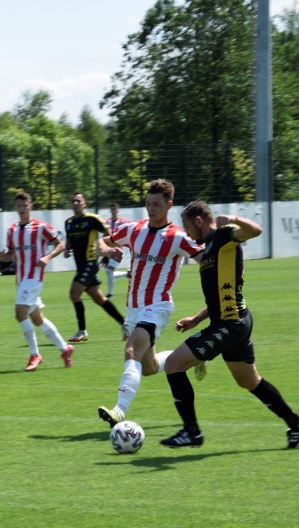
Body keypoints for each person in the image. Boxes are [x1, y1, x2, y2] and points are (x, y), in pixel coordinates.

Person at [159, 201, 299, 448]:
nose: (187, 233)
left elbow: (256, 230)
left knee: (173, 365)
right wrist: (196, 319)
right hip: (234, 321)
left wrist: (233, 218)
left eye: (188, 227)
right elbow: (221, 294)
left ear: (199, 221)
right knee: (249, 381)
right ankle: (296, 423)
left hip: (230, 325)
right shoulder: (209, 247)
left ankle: (191, 432)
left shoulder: (222, 236)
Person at [95, 179, 203, 427]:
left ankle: (118, 412)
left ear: (169, 205)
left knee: (131, 350)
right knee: (150, 367)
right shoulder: (134, 229)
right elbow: (102, 242)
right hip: (134, 308)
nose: (150, 209)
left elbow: (205, 260)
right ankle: (195, 356)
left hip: (157, 305)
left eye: (156, 204)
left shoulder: (177, 237)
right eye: (147, 203)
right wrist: (108, 251)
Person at [0, 192, 74, 371]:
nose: (22, 208)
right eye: (19, 206)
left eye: (25, 205)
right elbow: (10, 254)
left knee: (19, 313)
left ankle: (34, 354)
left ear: (30, 206)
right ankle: (65, 348)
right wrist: (2, 256)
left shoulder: (41, 227)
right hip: (21, 279)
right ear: (15, 208)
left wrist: (47, 257)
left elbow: (61, 245)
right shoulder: (12, 230)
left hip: (34, 277)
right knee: (38, 318)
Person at [63, 193, 125, 348]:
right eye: (73, 201)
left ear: (84, 203)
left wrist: (107, 252)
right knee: (99, 299)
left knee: (74, 294)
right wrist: (67, 249)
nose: (76, 203)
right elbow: (69, 239)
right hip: (80, 266)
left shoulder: (92, 219)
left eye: (79, 201)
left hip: (90, 263)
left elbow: (108, 233)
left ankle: (82, 330)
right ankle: (125, 324)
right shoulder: (68, 223)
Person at [102, 202, 129, 298]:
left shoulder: (124, 222)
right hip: (109, 250)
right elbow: (104, 236)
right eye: (111, 209)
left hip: (118, 250)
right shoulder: (106, 222)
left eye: (114, 209)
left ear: (118, 210)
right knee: (109, 272)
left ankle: (110, 294)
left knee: (109, 271)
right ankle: (127, 273)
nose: (113, 211)